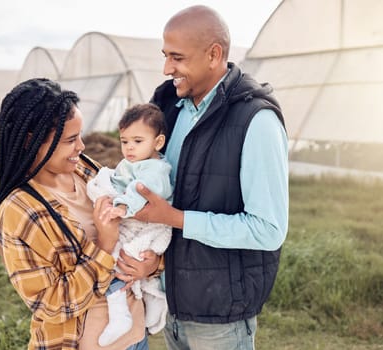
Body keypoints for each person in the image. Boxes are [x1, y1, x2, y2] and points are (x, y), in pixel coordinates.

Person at [132, 5, 289, 350]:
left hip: (222, 320)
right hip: (171, 304)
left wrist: (174, 218)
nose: (166, 68)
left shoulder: (256, 121)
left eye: (177, 57)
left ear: (214, 54)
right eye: (165, 56)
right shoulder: (167, 107)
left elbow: (268, 230)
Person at [0, 78, 159, 350]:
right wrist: (104, 247)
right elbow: (52, 304)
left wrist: (152, 265)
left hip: (135, 336)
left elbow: (137, 229)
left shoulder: (85, 171)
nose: (81, 147)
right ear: (31, 142)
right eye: (70, 140)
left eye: (80, 135)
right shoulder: (19, 212)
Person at [86, 103, 173, 346]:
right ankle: (122, 310)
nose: (129, 148)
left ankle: (120, 314)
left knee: (118, 260)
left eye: (137, 141)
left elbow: (140, 191)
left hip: (149, 226)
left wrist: (122, 206)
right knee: (113, 259)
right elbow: (120, 180)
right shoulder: (132, 163)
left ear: (157, 143)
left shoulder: (156, 169)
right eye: (125, 141)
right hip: (134, 219)